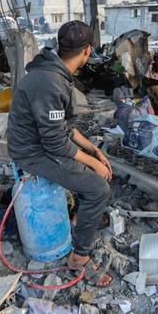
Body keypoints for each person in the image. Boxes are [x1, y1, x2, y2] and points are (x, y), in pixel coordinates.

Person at [7, 21, 114, 287]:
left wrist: (93, 149)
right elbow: (56, 144)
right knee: (99, 188)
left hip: (44, 143)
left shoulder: (55, 72)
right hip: (32, 152)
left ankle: (78, 217)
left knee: (94, 169)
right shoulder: (49, 82)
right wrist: (92, 164)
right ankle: (79, 258)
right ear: (87, 51)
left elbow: (66, 127)